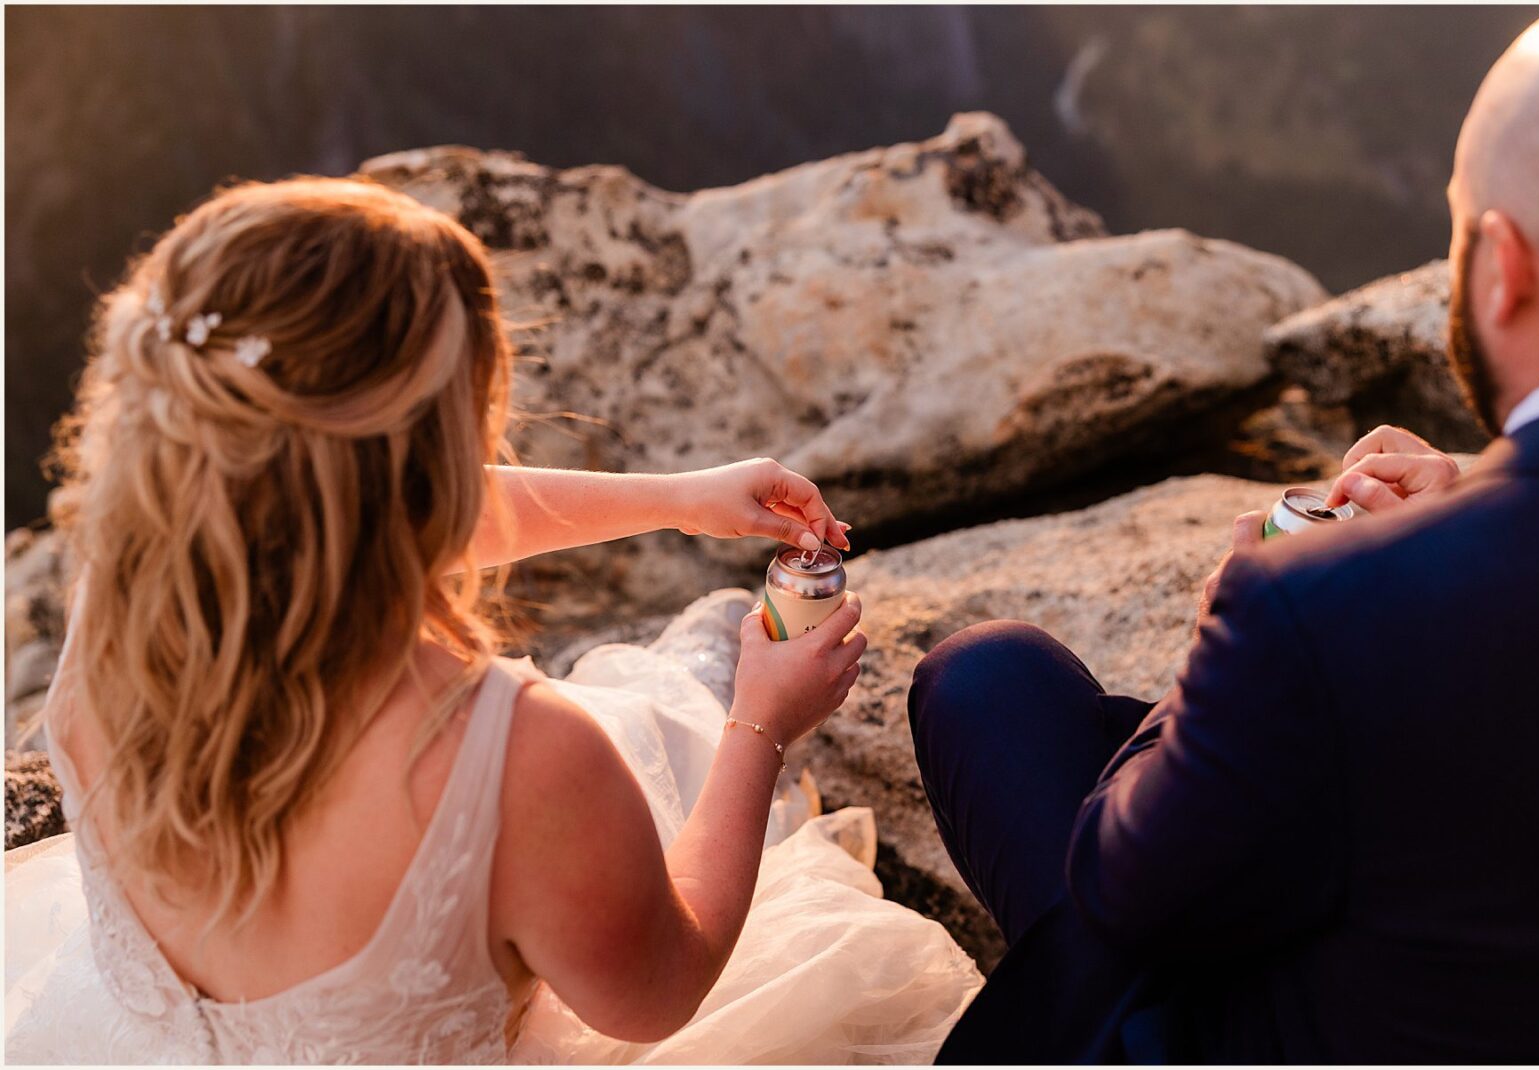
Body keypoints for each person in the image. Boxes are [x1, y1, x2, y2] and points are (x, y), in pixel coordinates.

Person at [4, 177, 983, 1063]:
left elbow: (360, 505)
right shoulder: (514, 759)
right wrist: (762, 724)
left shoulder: (112, 606)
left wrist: (677, 498)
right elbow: (658, 992)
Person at [909, 6, 1539, 1063]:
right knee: (989, 676)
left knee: (988, 697)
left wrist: (1232, 634)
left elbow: (1120, 889)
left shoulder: (1304, 606)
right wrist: (1466, 517)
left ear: (1501, 265)